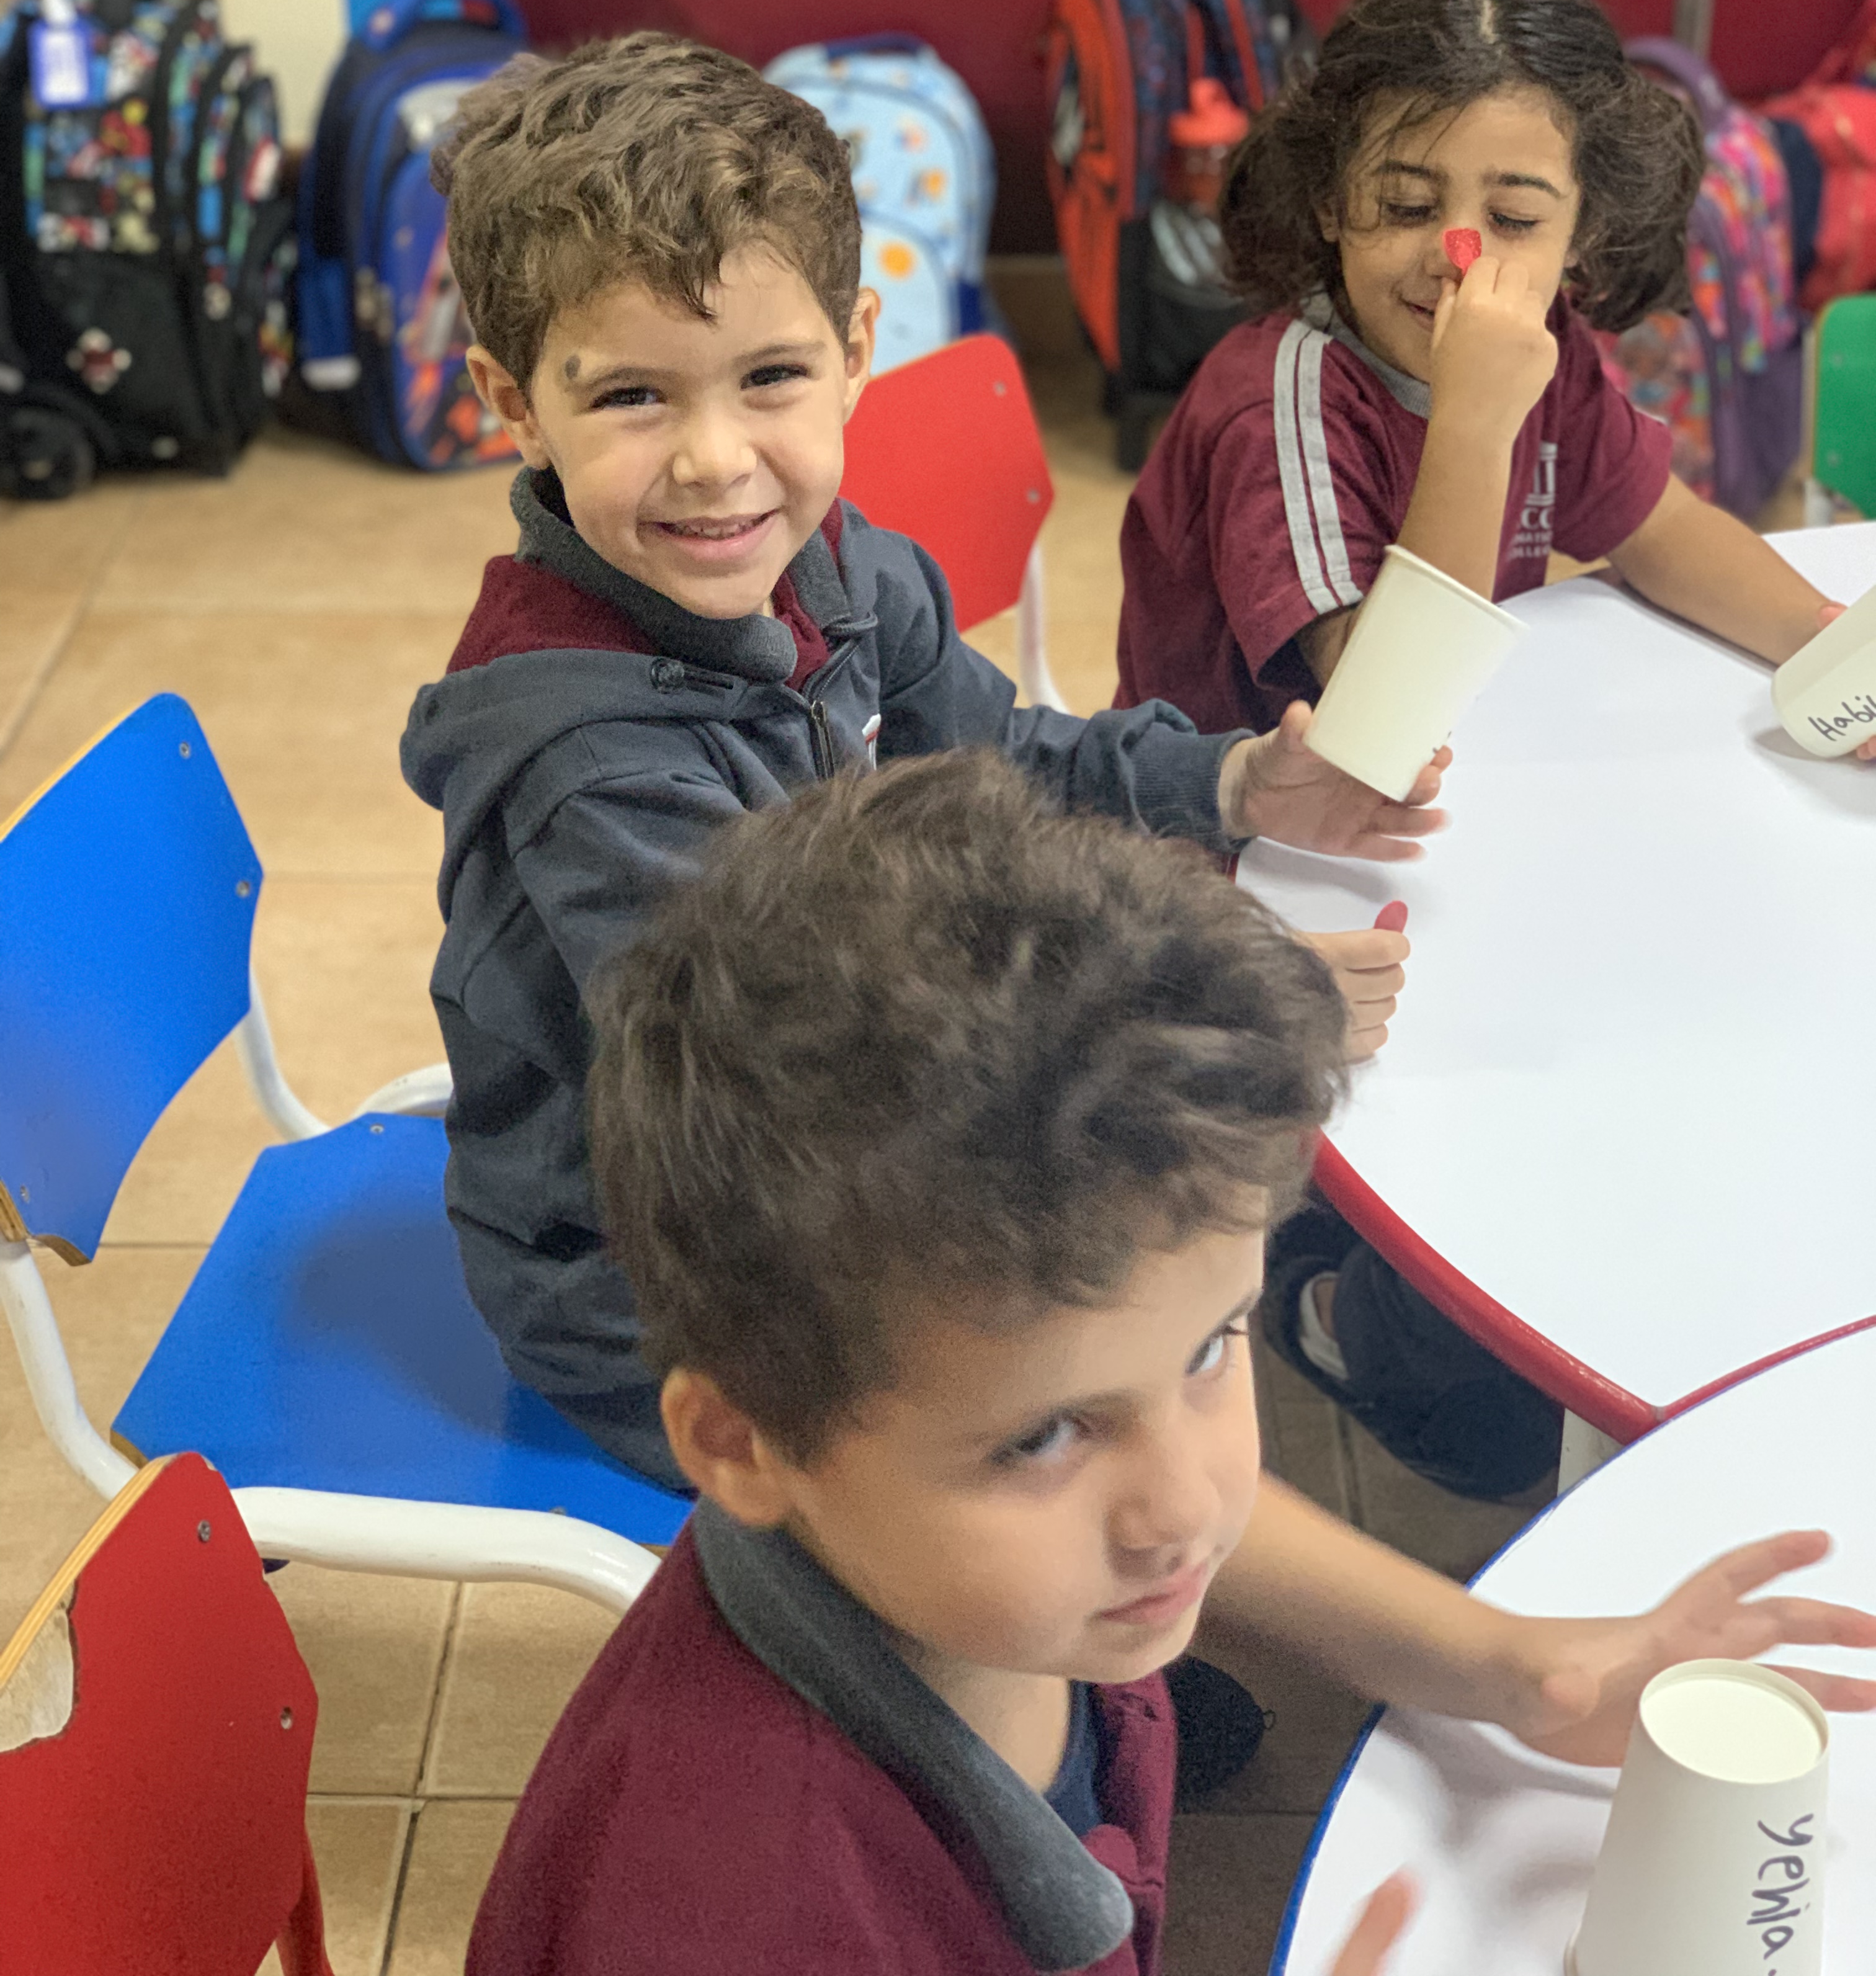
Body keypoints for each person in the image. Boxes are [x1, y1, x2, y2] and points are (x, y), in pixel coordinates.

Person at [466, 750, 1876, 1976]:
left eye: (1210, 1348)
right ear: (741, 1442)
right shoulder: (749, 1920)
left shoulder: (950, 1553)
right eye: (1045, 1438)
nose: (1187, 1505)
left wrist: (1513, 1670)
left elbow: (1204, 1520)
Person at [401, 30, 1436, 1497]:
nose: (715, 461)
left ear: (855, 353)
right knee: (1058, 1419)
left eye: (769, 377)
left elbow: (998, 758)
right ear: (516, 407)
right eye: (633, 397)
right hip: (651, 1295)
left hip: (834, 1161)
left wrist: (1233, 787)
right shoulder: (589, 761)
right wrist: (1209, 992)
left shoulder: (835, 568)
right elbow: (804, 1076)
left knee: (1134, 1300)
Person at [1114, 0, 1872, 1500]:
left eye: (1514, 218)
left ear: (1586, 229)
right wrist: (1472, 416)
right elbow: (1377, 728)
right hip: (1248, 872)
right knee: (1491, 1429)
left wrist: (1839, 653)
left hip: (1449, 830)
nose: (1458, 257)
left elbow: (1657, 530)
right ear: (1329, 197)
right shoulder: (1288, 399)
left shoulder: (1553, 352)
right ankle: (1332, 1305)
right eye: (1406, 202)